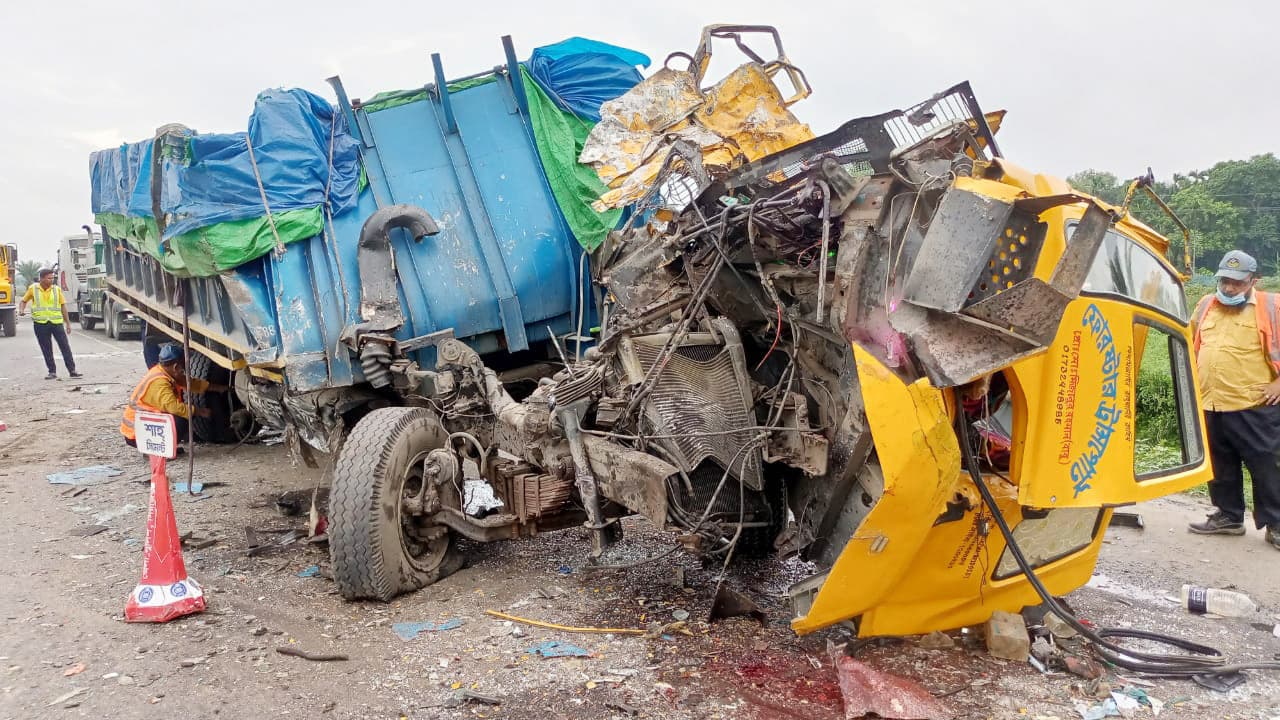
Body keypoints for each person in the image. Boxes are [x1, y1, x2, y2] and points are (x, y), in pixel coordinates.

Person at [1187, 250, 1280, 551]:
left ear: (1254, 281)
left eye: (1237, 283)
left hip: (1254, 404)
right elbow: (1190, 343)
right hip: (1212, 402)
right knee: (1220, 464)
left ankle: (1277, 524)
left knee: (1266, 466)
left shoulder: (1271, 306)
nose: (1228, 288)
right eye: (1225, 281)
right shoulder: (1205, 305)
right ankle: (1229, 516)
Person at [120, 344, 228, 450]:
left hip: (142, 428)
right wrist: (200, 411)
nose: (184, 370)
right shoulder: (160, 382)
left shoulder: (164, 371)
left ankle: (158, 448)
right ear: (176, 367)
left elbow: (191, 383)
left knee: (185, 414)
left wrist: (219, 388)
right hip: (136, 434)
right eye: (183, 367)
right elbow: (174, 408)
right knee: (183, 418)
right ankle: (160, 450)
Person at [17, 267, 81, 380]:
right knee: (46, 348)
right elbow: (23, 301)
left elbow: (63, 306)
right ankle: (52, 371)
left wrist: (68, 323)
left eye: (52, 278)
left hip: (56, 323)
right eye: (48, 278)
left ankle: (72, 370)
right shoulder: (33, 289)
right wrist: (21, 310)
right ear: (41, 279)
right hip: (40, 324)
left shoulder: (56, 290)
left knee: (65, 347)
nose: (51, 280)